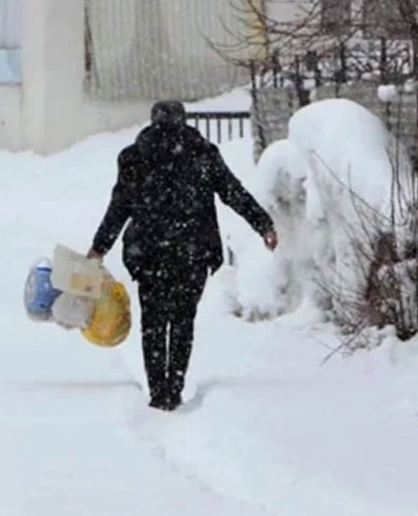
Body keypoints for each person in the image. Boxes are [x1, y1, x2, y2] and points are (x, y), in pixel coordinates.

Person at [87, 100, 277, 411]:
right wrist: (263, 224)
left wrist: (99, 248)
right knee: (183, 320)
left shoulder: (134, 158)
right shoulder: (202, 154)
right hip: (193, 252)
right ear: (184, 121)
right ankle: (173, 391)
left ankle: (157, 392)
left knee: (153, 322)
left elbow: (119, 208)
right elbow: (233, 192)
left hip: (148, 253)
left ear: (152, 121)